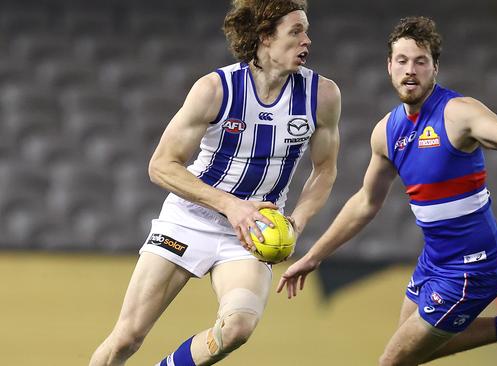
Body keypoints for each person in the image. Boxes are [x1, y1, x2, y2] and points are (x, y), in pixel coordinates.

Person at [277, 16, 497, 365]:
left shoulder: (459, 113)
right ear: (389, 67)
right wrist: (313, 256)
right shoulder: (386, 132)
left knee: (392, 361)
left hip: (475, 265)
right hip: (435, 260)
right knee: (415, 348)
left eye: (421, 61)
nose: (411, 70)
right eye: (402, 61)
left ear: (435, 68)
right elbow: (365, 201)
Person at [89, 1, 340, 365]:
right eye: (296, 31)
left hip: (253, 231)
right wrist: (231, 205)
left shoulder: (322, 95)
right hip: (190, 219)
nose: (307, 41)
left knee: (237, 328)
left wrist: (295, 224)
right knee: (126, 338)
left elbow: (324, 171)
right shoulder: (215, 88)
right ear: (265, 36)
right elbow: (161, 166)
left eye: (306, 30)